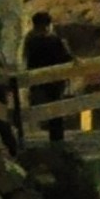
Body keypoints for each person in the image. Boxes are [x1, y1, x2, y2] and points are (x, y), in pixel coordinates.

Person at [22, 11, 73, 141]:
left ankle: (35, 133)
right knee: (56, 111)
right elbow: (66, 58)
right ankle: (56, 139)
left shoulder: (30, 39)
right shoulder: (53, 40)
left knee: (42, 108)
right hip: (54, 79)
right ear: (47, 25)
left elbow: (28, 59)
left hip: (37, 79)